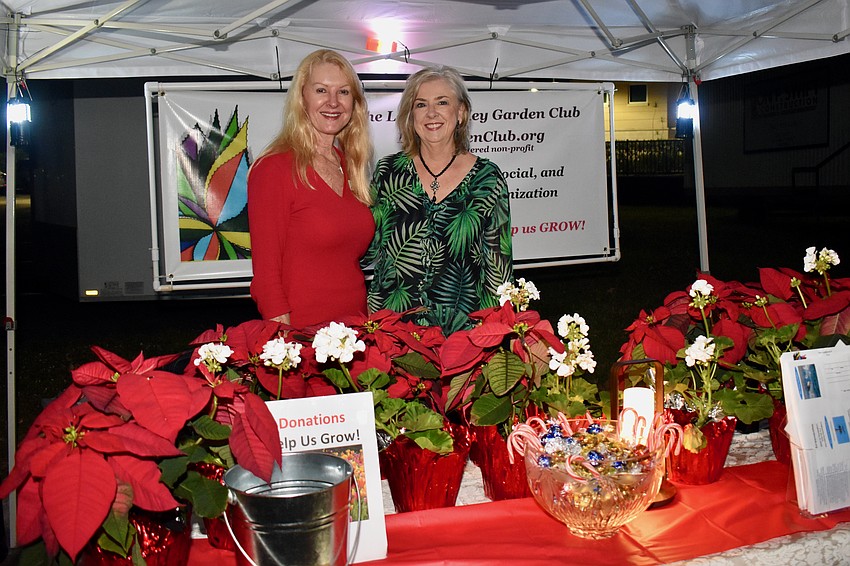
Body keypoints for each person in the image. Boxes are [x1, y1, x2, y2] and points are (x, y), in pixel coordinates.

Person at [363, 66, 513, 334]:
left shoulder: (488, 179)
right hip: (394, 331)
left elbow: (498, 270)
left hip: (462, 335)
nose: (431, 113)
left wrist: (496, 335)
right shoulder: (388, 173)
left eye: (442, 102)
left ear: (461, 112)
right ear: (411, 116)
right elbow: (367, 249)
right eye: (421, 105)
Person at [248, 49, 375, 327]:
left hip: (354, 330)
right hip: (302, 334)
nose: (333, 102)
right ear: (302, 98)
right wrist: (284, 343)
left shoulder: (350, 166)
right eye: (321, 90)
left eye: (343, 92)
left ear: (354, 103)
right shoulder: (275, 168)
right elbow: (266, 275)